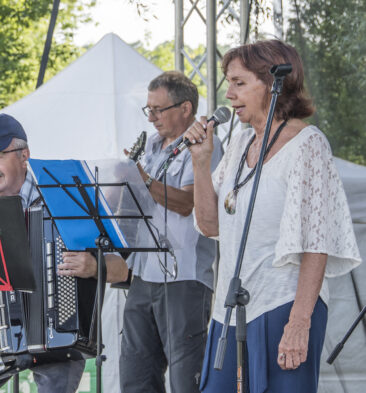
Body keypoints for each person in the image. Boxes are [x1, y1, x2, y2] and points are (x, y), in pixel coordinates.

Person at [186, 40, 362, 393]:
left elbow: (317, 241)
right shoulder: (238, 145)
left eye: (239, 83)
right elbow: (209, 225)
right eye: (228, 83)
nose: (229, 94)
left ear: (272, 83)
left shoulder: (308, 144)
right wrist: (200, 162)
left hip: (282, 305)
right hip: (230, 308)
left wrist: (299, 323)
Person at [0, 113, 128, 393]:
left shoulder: (64, 198)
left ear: (24, 155)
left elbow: (123, 269)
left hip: (60, 336)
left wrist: (94, 265)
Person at [119, 71, 223, 393]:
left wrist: (143, 180)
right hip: (143, 271)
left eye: (158, 110)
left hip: (184, 276)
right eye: (147, 109)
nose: (151, 118)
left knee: (184, 378)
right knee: (135, 375)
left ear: (186, 108)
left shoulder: (205, 145)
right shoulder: (148, 147)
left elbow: (188, 203)